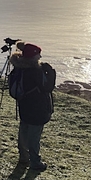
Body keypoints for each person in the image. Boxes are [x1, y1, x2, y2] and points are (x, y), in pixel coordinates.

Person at [9, 42, 56, 171]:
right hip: (38, 108)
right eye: (38, 54)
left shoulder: (19, 68)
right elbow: (48, 87)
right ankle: (35, 162)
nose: (40, 57)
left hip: (24, 106)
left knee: (24, 132)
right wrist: (50, 72)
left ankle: (23, 158)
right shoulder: (35, 71)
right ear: (32, 56)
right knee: (34, 137)